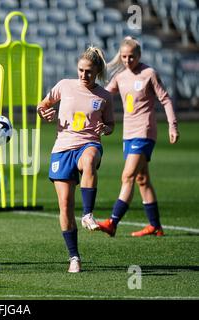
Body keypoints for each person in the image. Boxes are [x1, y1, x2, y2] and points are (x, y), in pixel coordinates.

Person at [37, 47, 114, 273]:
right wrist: (45, 113)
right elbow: (43, 105)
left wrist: (105, 128)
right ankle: (74, 258)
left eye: (88, 71)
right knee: (65, 205)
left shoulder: (104, 96)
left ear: (97, 71)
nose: (83, 75)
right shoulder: (64, 85)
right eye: (80, 70)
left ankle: (88, 213)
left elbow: (110, 125)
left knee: (89, 160)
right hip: (62, 149)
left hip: (89, 143)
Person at [97, 36, 179, 237]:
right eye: (124, 57)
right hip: (128, 134)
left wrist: (172, 126)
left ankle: (112, 222)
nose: (127, 60)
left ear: (139, 55)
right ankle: (155, 226)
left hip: (145, 131)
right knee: (142, 179)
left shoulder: (149, 73)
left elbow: (165, 99)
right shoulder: (121, 76)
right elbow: (105, 97)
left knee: (128, 176)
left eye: (131, 57)